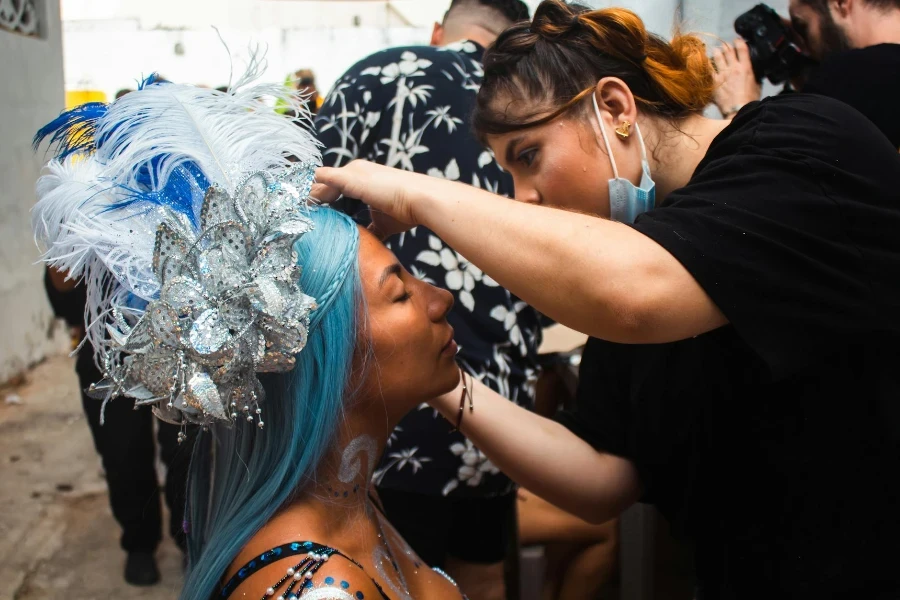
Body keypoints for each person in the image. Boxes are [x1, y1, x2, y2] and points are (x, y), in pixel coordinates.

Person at [314, 1, 900, 597]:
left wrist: (417, 195)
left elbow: (636, 293)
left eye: (530, 156)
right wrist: (441, 381)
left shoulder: (801, 144)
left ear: (615, 108)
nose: (524, 199)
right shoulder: (641, 252)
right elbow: (601, 476)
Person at [32, 68, 499, 600]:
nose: (442, 299)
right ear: (328, 353)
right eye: (400, 291)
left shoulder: (348, 496)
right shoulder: (314, 590)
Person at [315, 2, 537, 597]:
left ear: (440, 32)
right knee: (483, 576)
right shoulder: (529, 100)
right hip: (505, 420)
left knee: (383, 571)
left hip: (387, 406)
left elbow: (311, 233)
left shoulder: (373, 76)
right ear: (514, 39)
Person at [43, 270, 193, 587]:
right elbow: (63, 291)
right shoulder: (81, 219)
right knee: (121, 449)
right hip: (105, 342)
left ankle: (189, 539)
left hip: (174, 334)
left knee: (183, 446)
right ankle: (138, 543)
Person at [711, 0, 900, 147]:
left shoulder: (850, 73)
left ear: (842, 3)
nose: (803, 48)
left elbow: (771, 181)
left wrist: (740, 110)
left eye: (803, 27)